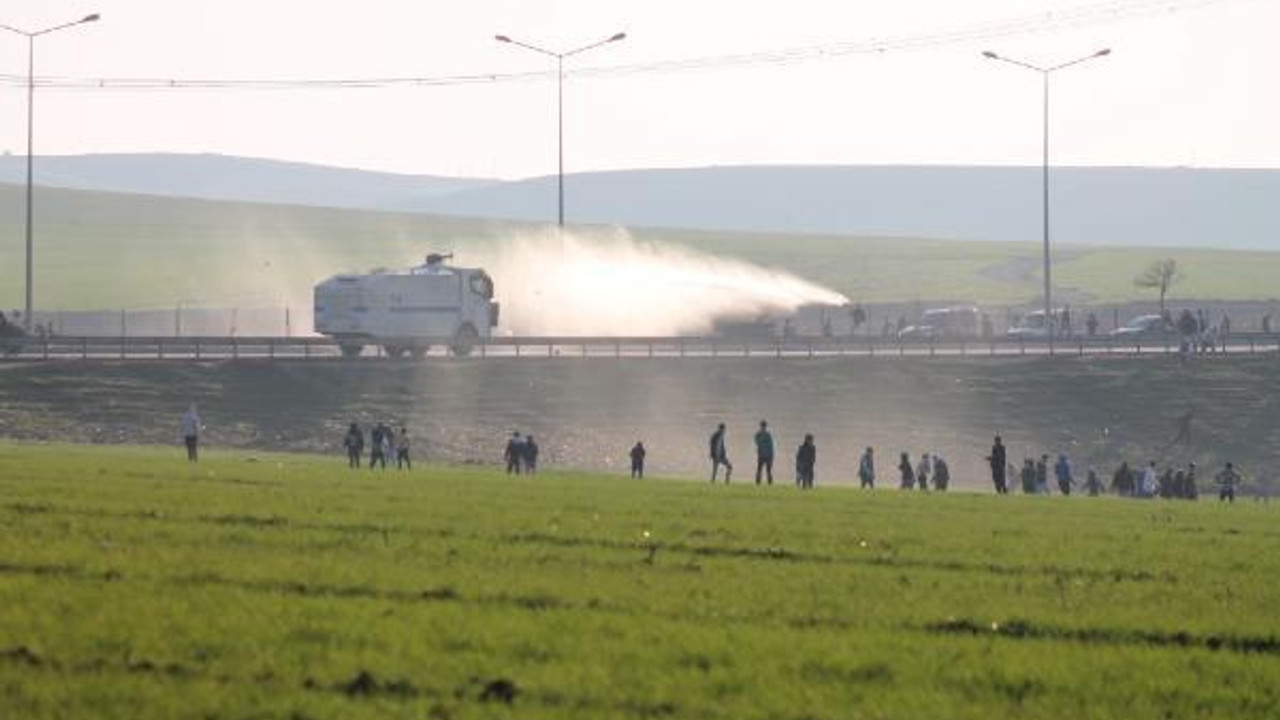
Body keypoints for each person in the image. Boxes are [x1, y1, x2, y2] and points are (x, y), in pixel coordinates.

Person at [754, 420, 775, 485]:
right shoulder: (762, 434)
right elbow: (770, 445)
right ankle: (761, 481)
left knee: (764, 469)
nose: (763, 427)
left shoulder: (760, 434)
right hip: (765, 455)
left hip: (765, 455)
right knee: (763, 469)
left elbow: (770, 445)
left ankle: (763, 481)